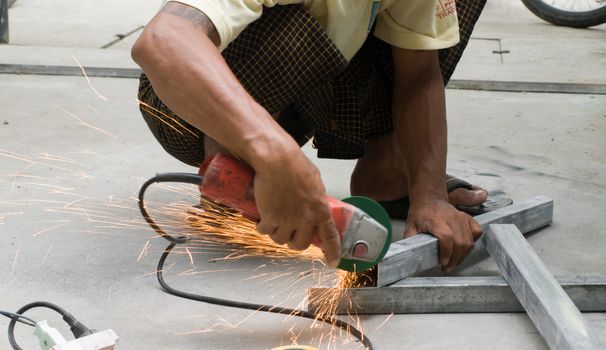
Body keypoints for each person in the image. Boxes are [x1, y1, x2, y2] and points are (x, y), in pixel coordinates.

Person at [132, 0, 495, 272]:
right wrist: (275, 155)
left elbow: (418, 75)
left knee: (444, 10)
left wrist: (430, 195)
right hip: (186, 104)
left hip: (313, 77)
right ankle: (234, 163)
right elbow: (164, 41)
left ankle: (387, 171)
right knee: (288, 23)